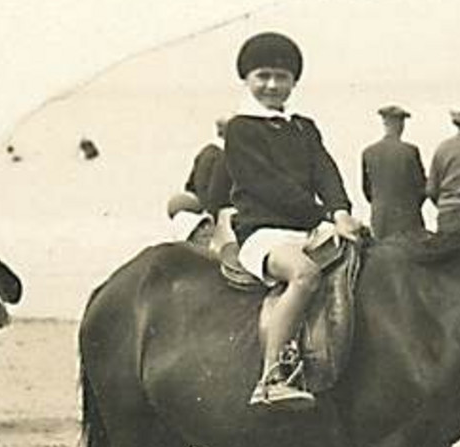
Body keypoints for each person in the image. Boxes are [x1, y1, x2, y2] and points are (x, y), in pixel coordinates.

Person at [221, 31, 364, 409]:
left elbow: (325, 172)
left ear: (293, 82)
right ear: (247, 80)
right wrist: (321, 215)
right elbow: (268, 187)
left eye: (281, 77)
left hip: (307, 228)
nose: (272, 85)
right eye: (262, 76)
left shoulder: (304, 127)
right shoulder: (241, 129)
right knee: (304, 275)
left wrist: (341, 211)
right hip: (265, 233)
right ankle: (271, 377)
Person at [360, 104, 427, 239]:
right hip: (409, 220)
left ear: (384, 123)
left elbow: (367, 191)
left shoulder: (369, 152)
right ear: (401, 125)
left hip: (381, 221)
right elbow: (421, 187)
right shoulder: (410, 151)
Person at [167, 116, 233, 249]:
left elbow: (190, 186)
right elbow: (216, 193)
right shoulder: (224, 155)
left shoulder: (205, 152)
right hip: (220, 216)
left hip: (206, 214)